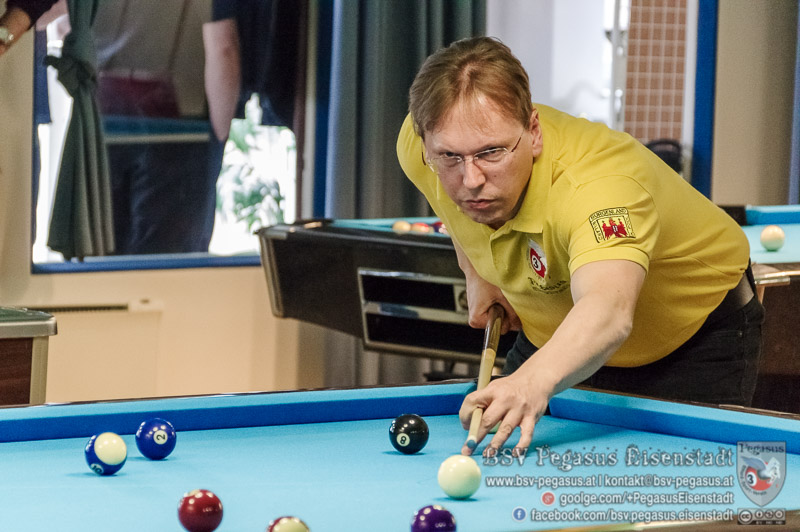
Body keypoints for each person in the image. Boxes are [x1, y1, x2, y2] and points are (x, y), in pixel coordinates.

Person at [396, 37, 764, 457]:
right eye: (449, 157)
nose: (471, 179)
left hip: (690, 344)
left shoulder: (601, 187)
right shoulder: (420, 146)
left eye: (491, 153)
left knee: (666, 489)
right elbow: (449, 202)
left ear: (533, 132)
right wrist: (476, 271)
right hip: (554, 334)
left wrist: (531, 381)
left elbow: (607, 308)